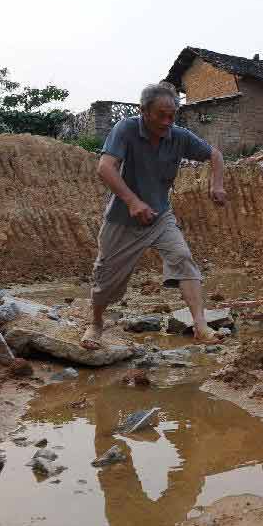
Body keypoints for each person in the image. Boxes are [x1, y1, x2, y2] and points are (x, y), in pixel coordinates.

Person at [80, 82, 227, 349]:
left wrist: (216, 184)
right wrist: (133, 201)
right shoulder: (125, 129)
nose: (167, 121)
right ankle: (96, 324)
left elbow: (214, 155)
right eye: (161, 115)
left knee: (183, 258)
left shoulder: (179, 136)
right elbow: (105, 168)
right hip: (122, 220)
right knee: (105, 280)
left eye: (172, 115)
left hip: (160, 217)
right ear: (143, 111)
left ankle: (200, 326)